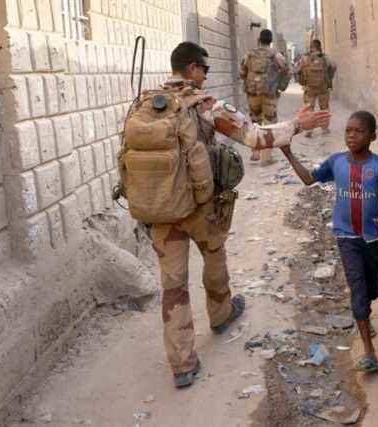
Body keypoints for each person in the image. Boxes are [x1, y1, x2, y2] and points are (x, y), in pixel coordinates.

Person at [120, 41, 331, 389]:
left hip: (159, 209)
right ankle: (221, 313)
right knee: (213, 256)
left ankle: (182, 364)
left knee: (172, 287)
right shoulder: (202, 104)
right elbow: (256, 137)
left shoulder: (143, 105)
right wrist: (297, 124)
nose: (207, 74)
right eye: (204, 68)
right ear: (191, 69)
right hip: (199, 206)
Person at [279, 111, 378, 373]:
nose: (352, 135)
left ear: (372, 137)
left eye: (359, 131)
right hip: (346, 238)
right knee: (357, 289)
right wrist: (288, 153)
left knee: (373, 288)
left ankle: (365, 311)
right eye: (348, 130)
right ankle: (369, 352)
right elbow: (309, 179)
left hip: (373, 238)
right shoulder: (336, 162)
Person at [240, 29, 289, 166]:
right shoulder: (275, 54)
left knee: (255, 122)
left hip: (252, 93)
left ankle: (255, 152)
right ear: (270, 40)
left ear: (259, 40)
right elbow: (286, 69)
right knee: (269, 124)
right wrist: (280, 85)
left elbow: (242, 72)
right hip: (269, 94)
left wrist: (249, 82)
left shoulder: (249, 54)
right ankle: (266, 158)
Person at [295, 39, 336, 138]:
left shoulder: (305, 58)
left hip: (309, 88)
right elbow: (333, 66)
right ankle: (325, 129)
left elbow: (296, 69)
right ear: (320, 47)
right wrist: (329, 78)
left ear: (311, 47)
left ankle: (309, 130)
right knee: (324, 108)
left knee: (309, 108)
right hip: (323, 87)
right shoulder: (325, 58)